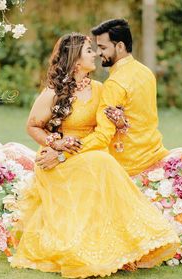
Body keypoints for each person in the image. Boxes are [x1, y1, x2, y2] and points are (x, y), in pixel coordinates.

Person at [10, 32, 180, 279]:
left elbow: (105, 130)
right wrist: (55, 143)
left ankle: (124, 247)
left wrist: (120, 123)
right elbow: (33, 126)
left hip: (89, 151)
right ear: (76, 61)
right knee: (100, 163)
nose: (96, 54)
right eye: (89, 51)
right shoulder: (54, 92)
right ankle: (89, 250)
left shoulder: (100, 90)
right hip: (58, 157)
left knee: (101, 161)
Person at [37, 19, 168, 177]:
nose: (98, 53)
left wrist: (62, 155)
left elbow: (102, 137)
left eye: (103, 48)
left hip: (127, 164)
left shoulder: (113, 84)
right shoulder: (146, 72)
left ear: (119, 46)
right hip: (155, 152)